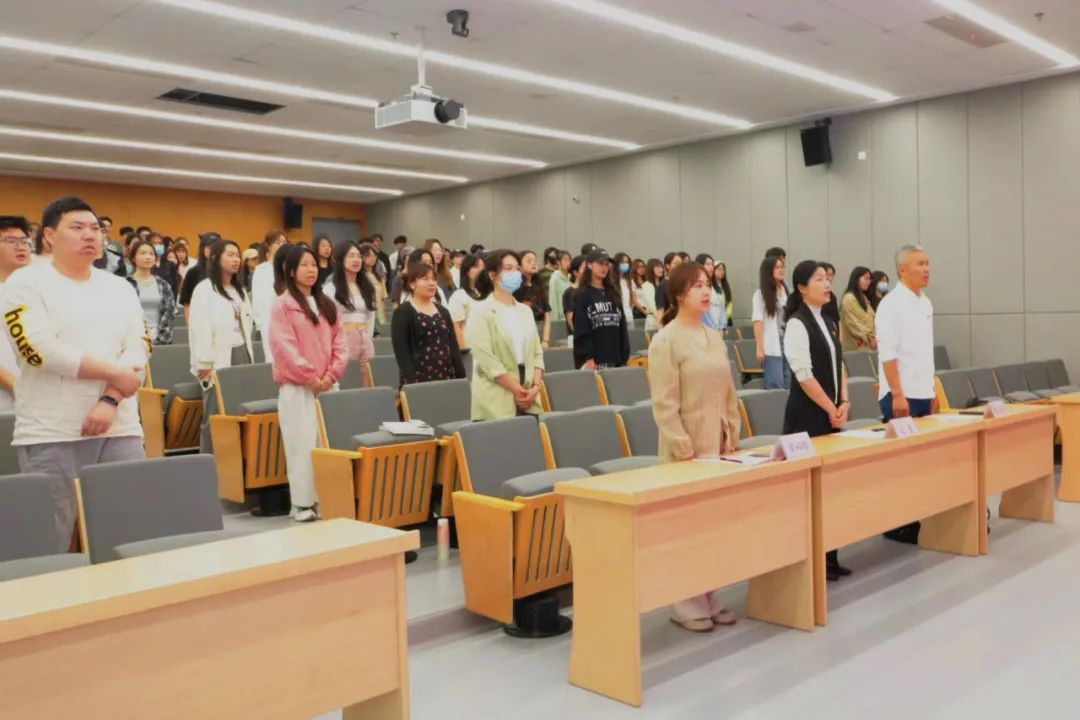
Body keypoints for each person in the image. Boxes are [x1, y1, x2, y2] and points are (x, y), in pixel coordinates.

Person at [3, 197, 148, 551]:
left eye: (95, 228)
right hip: (53, 428)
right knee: (50, 535)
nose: (90, 235)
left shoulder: (119, 287)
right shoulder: (24, 284)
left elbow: (139, 346)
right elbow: (39, 350)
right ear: (49, 235)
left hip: (120, 425)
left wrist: (110, 399)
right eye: (77, 227)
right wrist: (115, 373)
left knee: (128, 531)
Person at [648, 261, 741, 632]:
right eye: (697, 286)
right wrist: (682, 446)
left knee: (714, 526)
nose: (706, 291)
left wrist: (731, 432)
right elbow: (664, 404)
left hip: (717, 444)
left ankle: (709, 595)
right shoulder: (666, 341)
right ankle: (685, 603)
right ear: (678, 294)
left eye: (707, 284)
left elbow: (729, 391)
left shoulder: (713, 336)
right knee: (686, 528)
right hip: (684, 450)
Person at [782, 260, 853, 581]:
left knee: (831, 490)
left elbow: (840, 366)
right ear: (801, 287)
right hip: (807, 417)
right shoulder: (797, 324)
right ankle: (809, 562)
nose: (827, 284)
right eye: (819, 279)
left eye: (828, 279)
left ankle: (830, 558)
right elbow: (804, 375)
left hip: (831, 414)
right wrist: (830, 408)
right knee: (808, 494)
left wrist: (844, 402)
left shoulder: (828, 321)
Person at [269, 244, 348, 522]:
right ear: (291, 271)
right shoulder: (283, 305)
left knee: (326, 445)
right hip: (298, 387)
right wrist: (311, 377)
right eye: (304, 265)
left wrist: (330, 375)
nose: (311, 269)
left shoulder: (327, 303)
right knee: (300, 446)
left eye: (313, 264)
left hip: (327, 385)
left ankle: (324, 497)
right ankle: (302, 504)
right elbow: (284, 348)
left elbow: (340, 344)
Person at [876, 245, 936, 545]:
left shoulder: (925, 302)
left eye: (927, 263)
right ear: (902, 270)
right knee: (901, 464)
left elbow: (924, 351)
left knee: (921, 463)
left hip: (923, 391)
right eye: (919, 264)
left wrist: (932, 389)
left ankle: (917, 517)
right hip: (901, 395)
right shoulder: (891, 304)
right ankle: (896, 524)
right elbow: (888, 353)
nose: (926, 269)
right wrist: (898, 393)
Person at [188, 239, 255, 453]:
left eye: (237, 255)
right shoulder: (204, 289)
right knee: (215, 413)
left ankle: (234, 461)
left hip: (241, 351)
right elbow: (200, 329)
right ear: (216, 258)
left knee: (239, 409)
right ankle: (208, 461)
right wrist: (205, 363)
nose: (236, 260)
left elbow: (247, 324)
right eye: (230, 255)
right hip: (215, 358)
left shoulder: (239, 289)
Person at [466, 249, 545, 420]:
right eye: (508, 269)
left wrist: (535, 387)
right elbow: (487, 361)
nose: (515, 273)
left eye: (517, 268)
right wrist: (517, 390)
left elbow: (537, 353)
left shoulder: (525, 311)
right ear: (493, 275)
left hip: (529, 396)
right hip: (496, 398)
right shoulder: (481, 312)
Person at [390, 262, 466, 386]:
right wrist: (412, 382)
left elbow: (453, 347)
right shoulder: (403, 312)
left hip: (446, 376)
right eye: (425, 279)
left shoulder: (443, 312)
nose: (431, 283)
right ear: (412, 284)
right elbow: (402, 353)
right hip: (417, 380)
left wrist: (461, 377)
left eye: (434, 279)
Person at [324, 241, 377, 388]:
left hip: (364, 337)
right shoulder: (330, 288)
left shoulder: (366, 286)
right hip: (343, 338)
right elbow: (326, 320)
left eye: (359, 256)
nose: (356, 260)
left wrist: (368, 336)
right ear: (341, 259)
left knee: (368, 380)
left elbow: (370, 317)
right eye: (351, 256)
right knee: (346, 380)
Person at [572, 248, 630, 370]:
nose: (604, 268)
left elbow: (622, 327)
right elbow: (582, 329)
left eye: (606, 264)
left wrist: (624, 357)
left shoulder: (613, 293)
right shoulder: (583, 295)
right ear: (589, 265)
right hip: (594, 361)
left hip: (615, 359)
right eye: (600, 263)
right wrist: (588, 357)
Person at [0, 215, 33, 410]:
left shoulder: (37, 291)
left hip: (38, 401)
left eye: (24, 241)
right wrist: (16, 386)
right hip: (6, 400)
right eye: (11, 241)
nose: (21, 247)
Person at [125, 238, 176, 345]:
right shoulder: (125, 285)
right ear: (133, 258)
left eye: (151, 254)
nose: (148, 257)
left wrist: (159, 341)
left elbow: (169, 314)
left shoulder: (163, 285)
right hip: (132, 342)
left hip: (160, 342)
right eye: (143, 253)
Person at [752, 255, 789, 389]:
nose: (781, 270)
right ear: (768, 271)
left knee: (789, 380)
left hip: (787, 339)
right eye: (777, 267)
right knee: (776, 382)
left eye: (782, 267)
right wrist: (760, 347)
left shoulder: (785, 291)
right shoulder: (760, 294)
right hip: (772, 342)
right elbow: (757, 321)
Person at [252, 230, 289, 341]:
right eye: (278, 243)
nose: (282, 245)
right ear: (268, 246)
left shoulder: (290, 268)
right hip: (269, 321)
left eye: (284, 242)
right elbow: (260, 300)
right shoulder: (262, 269)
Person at [178, 232, 221, 321]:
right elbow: (187, 303)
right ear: (202, 249)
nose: (212, 250)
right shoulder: (193, 272)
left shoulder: (225, 271)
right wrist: (189, 325)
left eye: (216, 247)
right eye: (208, 247)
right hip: (200, 320)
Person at [448, 253, 485, 350]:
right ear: (467, 270)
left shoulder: (486, 294)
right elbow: (456, 327)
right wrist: (463, 351)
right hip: (470, 348)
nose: (481, 270)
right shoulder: (459, 295)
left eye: (483, 267)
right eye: (476, 266)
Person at [514, 250, 551, 348]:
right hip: (520, 335)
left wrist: (545, 340)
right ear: (519, 266)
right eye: (529, 261)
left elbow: (546, 314)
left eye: (535, 261)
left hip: (539, 332)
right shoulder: (515, 288)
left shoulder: (539, 287)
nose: (533, 263)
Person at [840, 266, 877, 351]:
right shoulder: (849, 298)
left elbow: (872, 318)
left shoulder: (864, 297)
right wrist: (870, 337)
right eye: (865, 278)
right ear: (856, 279)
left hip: (868, 345)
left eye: (869, 279)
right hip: (855, 346)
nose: (868, 282)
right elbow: (854, 323)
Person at [694, 254, 727, 333]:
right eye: (708, 264)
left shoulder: (716, 287)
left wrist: (721, 328)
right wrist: (711, 330)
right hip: (702, 330)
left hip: (717, 331)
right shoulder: (695, 287)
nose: (711, 267)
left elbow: (722, 309)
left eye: (712, 264)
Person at [360, 242, 389, 327]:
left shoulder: (379, 276)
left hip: (380, 311)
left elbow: (383, 296)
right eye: (368, 256)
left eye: (374, 256)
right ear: (362, 257)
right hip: (366, 311)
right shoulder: (360, 276)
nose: (372, 258)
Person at [630, 258, 659, 332]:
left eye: (643, 266)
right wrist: (644, 312)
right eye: (639, 267)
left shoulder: (647, 281)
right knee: (640, 332)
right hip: (639, 311)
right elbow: (634, 300)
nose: (642, 269)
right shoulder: (632, 281)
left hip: (649, 310)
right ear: (634, 268)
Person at [562, 254, 586, 337]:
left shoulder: (590, 291)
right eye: (585, 268)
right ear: (576, 272)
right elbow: (570, 320)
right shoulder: (570, 292)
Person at [547, 250, 572, 325]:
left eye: (569, 260)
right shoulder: (554, 279)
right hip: (561, 319)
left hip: (571, 316)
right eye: (565, 260)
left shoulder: (571, 278)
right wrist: (554, 322)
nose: (568, 263)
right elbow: (553, 302)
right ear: (558, 262)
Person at [612, 251, 636, 322]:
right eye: (623, 262)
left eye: (627, 262)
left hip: (628, 315)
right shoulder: (611, 280)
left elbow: (632, 300)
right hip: (616, 315)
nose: (625, 264)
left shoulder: (629, 281)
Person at [821, 262, 840, 327]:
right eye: (828, 275)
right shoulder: (812, 295)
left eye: (832, 275)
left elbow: (836, 319)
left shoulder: (832, 297)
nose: (830, 278)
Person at [716, 261, 734, 328]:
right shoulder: (710, 286)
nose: (721, 271)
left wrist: (725, 316)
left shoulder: (727, 286)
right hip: (714, 320)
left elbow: (730, 303)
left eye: (723, 269)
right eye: (719, 269)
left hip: (726, 319)